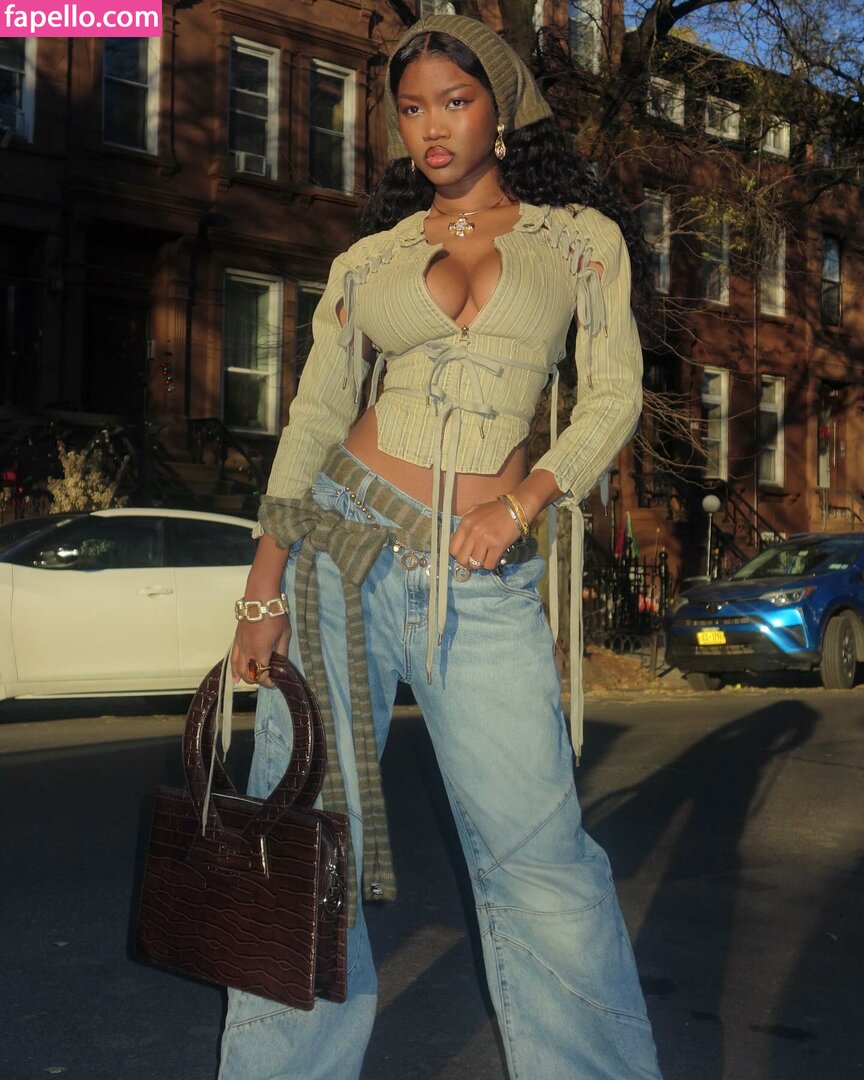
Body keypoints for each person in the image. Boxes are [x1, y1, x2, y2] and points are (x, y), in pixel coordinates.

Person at [219, 13, 663, 1080]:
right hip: (339, 543)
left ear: (499, 112)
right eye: (412, 107)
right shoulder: (369, 257)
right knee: (301, 843)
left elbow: (613, 394)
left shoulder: (578, 241)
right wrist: (263, 588)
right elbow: (315, 420)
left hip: (482, 572)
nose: (431, 126)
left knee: (544, 860)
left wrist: (526, 503)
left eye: (454, 103)